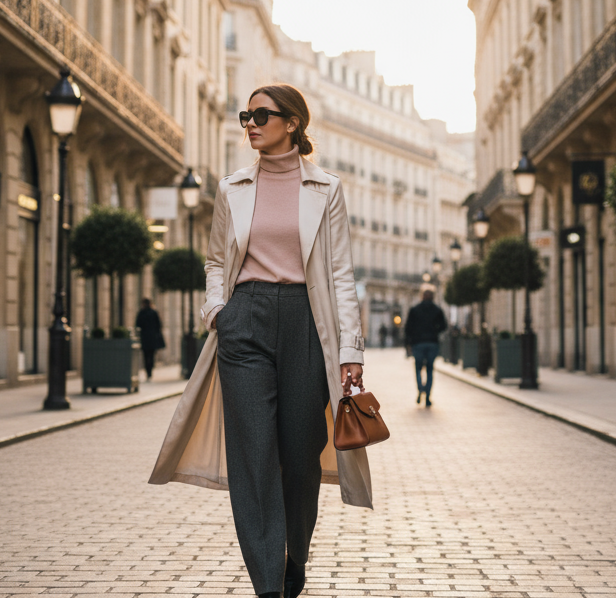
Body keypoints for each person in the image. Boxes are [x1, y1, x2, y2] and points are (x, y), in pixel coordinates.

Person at [149, 84, 369, 598]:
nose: (249, 123)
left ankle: (294, 554)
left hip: (306, 324)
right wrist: (218, 311)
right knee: (253, 454)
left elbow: (340, 274)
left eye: (261, 115)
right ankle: (268, 582)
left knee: (300, 453)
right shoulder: (232, 188)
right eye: (245, 115)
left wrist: (350, 353)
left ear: (292, 123)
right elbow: (214, 262)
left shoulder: (325, 189)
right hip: (243, 323)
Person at [404, 289, 447, 407]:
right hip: (432, 342)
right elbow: (444, 326)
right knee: (429, 369)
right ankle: (428, 396)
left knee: (418, 368)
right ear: (432, 297)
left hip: (418, 343)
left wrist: (407, 345)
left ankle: (420, 390)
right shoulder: (437, 310)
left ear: (422, 297)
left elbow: (407, 328)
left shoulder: (414, 310)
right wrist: (435, 330)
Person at [135, 298, 164, 380]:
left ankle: (148, 372)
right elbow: (159, 325)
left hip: (144, 338)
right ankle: (150, 372)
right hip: (152, 338)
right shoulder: (153, 312)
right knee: (151, 356)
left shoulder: (141, 313)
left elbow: (137, 325)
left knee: (146, 356)